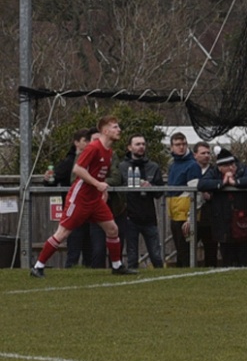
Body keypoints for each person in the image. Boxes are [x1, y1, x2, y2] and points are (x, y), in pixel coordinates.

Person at [30, 116, 137, 277]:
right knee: (63, 233)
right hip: (80, 198)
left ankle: (117, 266)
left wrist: (102, 190)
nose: (119, 130)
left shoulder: (109, 152)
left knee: (113, 229)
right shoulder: (93, 148)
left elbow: (100, 177)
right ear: (105, 131)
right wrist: (97, 184)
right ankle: (38, 266)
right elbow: (78, 170)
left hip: (95, 199)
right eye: (115, 127)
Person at [197, 148, 247, 267]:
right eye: (227, 165)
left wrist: (235, 183)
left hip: (245, 223)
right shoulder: (214, 172)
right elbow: (202, 184)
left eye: (232, 164)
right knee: (229, 260)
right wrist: (222, 183)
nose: (231, 167)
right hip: (224, 224)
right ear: (220, 168)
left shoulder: (243, 169)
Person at [43, 128, 96, 267]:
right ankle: (65, 268)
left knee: (90, 250)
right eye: (85, 140)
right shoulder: (69, 162)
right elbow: (51, 182)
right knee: (73, 247)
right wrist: (48, 178)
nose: (89, 143)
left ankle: (89, 271)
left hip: (91, 210)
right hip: (73, 210)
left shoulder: (94, 160)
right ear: (76, 143)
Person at [117, 135, 165, 270]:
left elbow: (160, 192)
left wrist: (151, 187)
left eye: (143, 144)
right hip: (130, 217)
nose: (141, 147)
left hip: (149, 217)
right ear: (129, 147)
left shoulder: (153, 167)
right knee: (132, 257)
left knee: (156, 255)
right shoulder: (122, 167)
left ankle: (162, 279)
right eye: (137, 144)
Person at [167, 132, 201, 267]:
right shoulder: (172, 164)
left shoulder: (192, 165)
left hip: (186, 214)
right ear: (171, 147)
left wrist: (190, 217)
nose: (181, 147)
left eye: (183, 144)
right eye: (177, 144)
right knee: (179, 249)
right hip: (174, 213)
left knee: (186, 250)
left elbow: (196, 192)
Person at [192, 141, 219, 267]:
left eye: (208, 153)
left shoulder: (215, 171)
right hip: (191, 214)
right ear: (195, 155)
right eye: (203, 153)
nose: (207, 155)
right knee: (187, 246)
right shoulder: (190, 169)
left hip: (209, 215)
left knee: (210, 247)